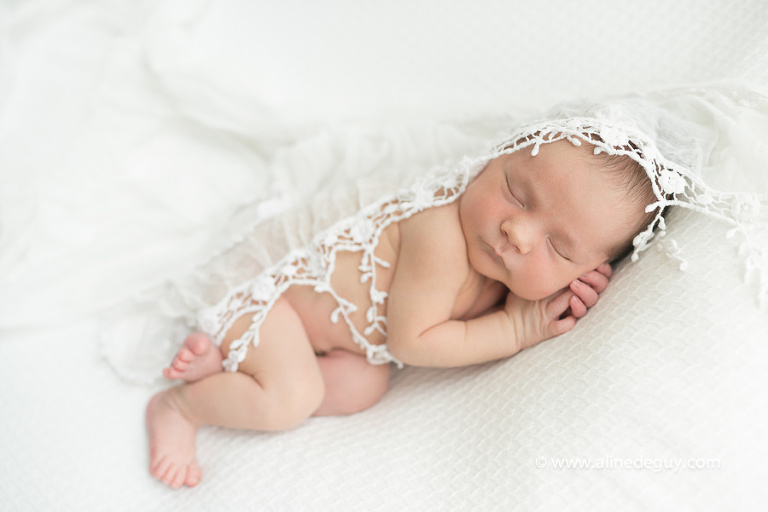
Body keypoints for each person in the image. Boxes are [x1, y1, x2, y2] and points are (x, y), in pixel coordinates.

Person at [145, 127, 659, 490]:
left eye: (560, 249)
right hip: (268, 300)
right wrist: (517, 327)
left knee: (362, 387)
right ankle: (181, 406)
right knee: (290, 399)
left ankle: (236, 367)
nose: (518, 232)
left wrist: (554, 295)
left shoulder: (499, 264)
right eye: (515, 193)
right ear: (495, 158)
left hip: (326, 336)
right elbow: (412, 342)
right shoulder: (439, 232)